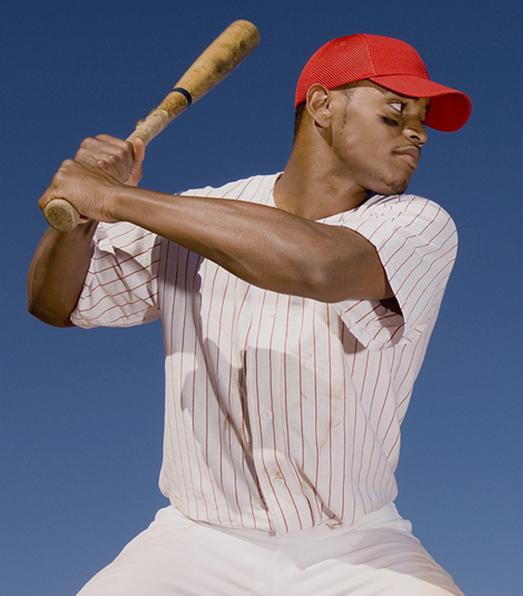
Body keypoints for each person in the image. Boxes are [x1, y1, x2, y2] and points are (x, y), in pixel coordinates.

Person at [27, 33, 471, 595]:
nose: (418, 132)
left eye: (422, 119)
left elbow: (318, 265)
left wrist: (114, 199)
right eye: (396, 111)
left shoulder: (418, 224)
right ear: (322, 105)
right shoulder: (199, 216)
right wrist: (79, 219)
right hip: (196, 540)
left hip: (355, 545)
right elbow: (54, 304)